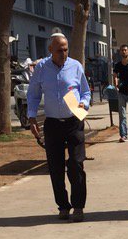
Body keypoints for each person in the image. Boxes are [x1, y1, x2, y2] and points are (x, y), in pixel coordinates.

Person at [27, 32, 91, 221]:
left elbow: (86, 92)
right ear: (50, 50)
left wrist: (84, 104)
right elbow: (33, 94)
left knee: (75, 164)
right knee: (55, 168)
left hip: (74, 122)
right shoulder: (41, 68)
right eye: (59, 50)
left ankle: (78, 206)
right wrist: (31, 118)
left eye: (65, 49)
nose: (63, 53)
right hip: (53, 124)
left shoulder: (75, 66)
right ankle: (63, 206)